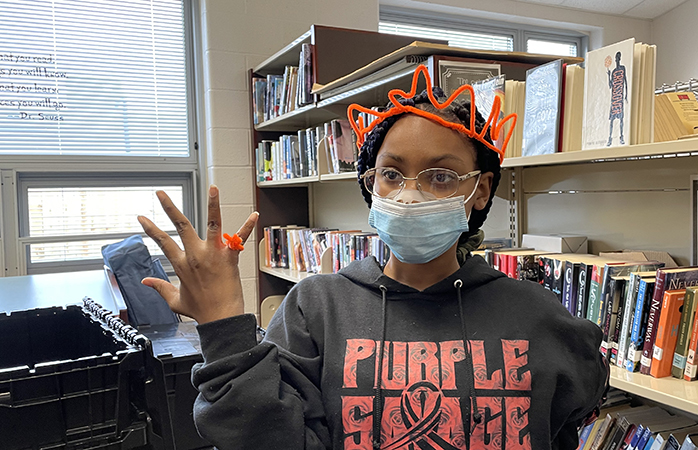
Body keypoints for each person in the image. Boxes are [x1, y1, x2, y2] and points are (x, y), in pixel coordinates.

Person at [138, 65, 608, 450]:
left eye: (441, 176)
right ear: (371, 184)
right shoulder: (315, 308)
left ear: (480, 190)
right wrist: (223, 327)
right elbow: (262, 434)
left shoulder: (538, 315)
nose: (410, 195)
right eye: (391, 174)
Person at [607, 51, 628, 146]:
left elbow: (625, 81)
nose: (617, 60)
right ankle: (610, 138)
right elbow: (610, 85)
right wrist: (608, 75)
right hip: (614, 97)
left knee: (621, 119)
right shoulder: (614, 71)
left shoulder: (623, 69)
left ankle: (621, 136)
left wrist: (626, 95)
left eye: (618, 58)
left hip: (619, 96)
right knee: (612, 120)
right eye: (616, 59)